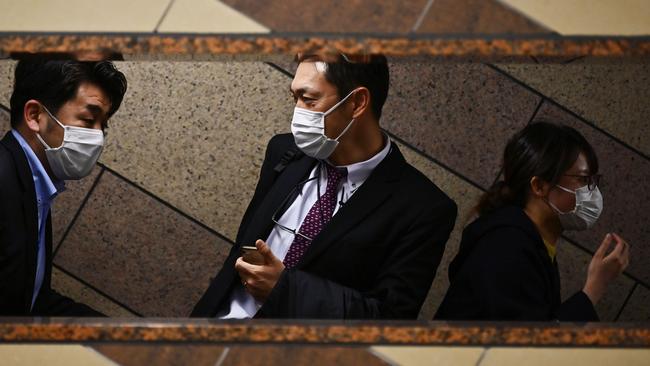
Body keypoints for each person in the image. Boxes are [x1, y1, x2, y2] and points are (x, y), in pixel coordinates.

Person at [192, 53, 457, 319]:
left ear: (356, 103)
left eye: (308, 100)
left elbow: (390, 317)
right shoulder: (284, 151)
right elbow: (242, 247)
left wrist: (286, 290)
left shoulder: (424, 208)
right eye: (294, 98)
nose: (297, 113)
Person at [434, 122, 629, 321]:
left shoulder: (529, 243)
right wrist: (594, 289)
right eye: (582, 180)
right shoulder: (507, 246)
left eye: (593, 182)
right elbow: (530, 345)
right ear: (539, 186)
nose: (592, 192)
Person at [0, 59, 127, 316]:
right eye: (90, 119)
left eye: (104, 126)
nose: (99, 137)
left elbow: (30, 300)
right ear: (35, 115)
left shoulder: (33, 188)